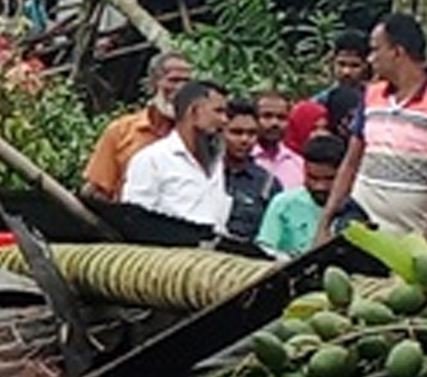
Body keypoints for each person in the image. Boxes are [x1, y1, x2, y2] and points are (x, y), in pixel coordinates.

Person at [321, 13, 427, 238]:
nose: (371, 59)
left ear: (397, 52)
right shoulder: (371, 96)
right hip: (362, 219)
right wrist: (326, 221)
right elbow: (351, 162)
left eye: (375, 50)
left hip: (414, 232)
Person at [80, 50, 193, 202]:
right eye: (173, 80)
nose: (181, 89)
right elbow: (98, 190)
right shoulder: (121, 131)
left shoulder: (200, 135)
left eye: (187, 82)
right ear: (153, 83)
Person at [120, 80, 231, 230]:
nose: (225, 120)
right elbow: (135, 221)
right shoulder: (152, 159)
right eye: (218, 111)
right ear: (193, 111)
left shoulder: (215, 163)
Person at [256, 134, 362, 258]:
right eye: (313, 178)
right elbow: (266, 249)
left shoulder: (358, 208)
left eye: (329, 179)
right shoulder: (283, 204)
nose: (320, 187)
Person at [222, 99, 281, 242]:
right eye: (236, 132)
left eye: (251, 133)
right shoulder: (205, 174)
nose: (245, 140)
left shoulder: (267, 183)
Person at [251, 90, 304, 191]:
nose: (275, 123)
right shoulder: (241, 160)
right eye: (267, 116)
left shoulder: (298, 165)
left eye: (281, 118)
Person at [313, 31, 371, 105]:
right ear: (333, 62)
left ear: (366, 66)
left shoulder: (376, 102)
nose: (346, 72)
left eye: (355, 66)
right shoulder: (320, 103)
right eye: (341, 64)